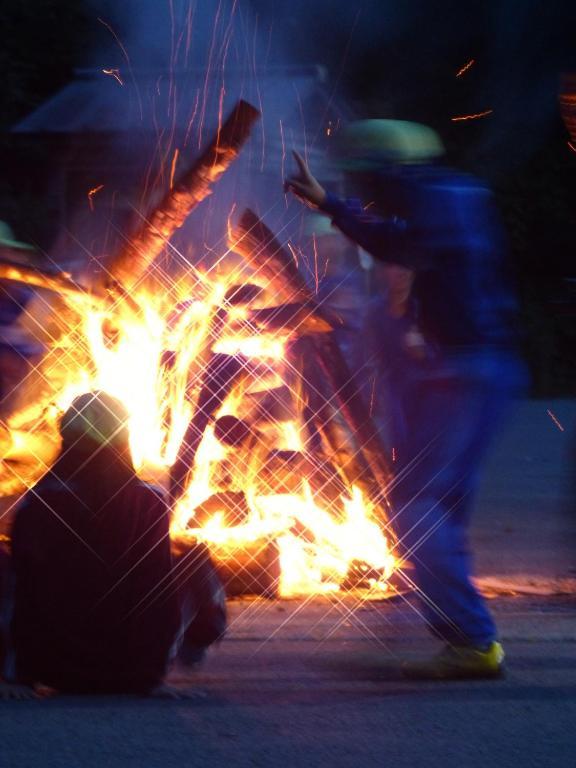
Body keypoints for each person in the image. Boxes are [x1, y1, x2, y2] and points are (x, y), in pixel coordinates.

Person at [286, 120, 526, 680]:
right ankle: (464, 633)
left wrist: (335, 206)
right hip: (484, 366)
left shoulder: (428, 200)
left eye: (361, 176)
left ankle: (471, 641)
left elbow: (399, 244)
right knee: (440, 506)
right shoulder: (457, 192)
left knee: (415, 509)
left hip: (463, 368)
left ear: (384, 171)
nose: (360, 186)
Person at [0, 391, 226, 699]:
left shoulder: (41, 503)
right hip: (131, 672)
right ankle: (183, 653)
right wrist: (149, 672)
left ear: (66, 435)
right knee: (191, 557)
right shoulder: (149, 502)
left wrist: (17, 672)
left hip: (54, 669)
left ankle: (13, 674)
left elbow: (22, 589)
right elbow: (154, 583)